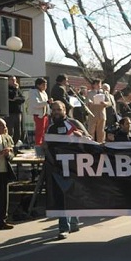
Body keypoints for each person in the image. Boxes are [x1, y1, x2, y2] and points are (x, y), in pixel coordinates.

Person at [46, 100, 91, 239]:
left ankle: (74, 221)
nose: (56, 112)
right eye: (53, 110)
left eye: (58, 109)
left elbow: (89, 139)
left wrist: (81, 137)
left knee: (73, 194)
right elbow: (47, 146)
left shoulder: (74, 124)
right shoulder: (50, 127)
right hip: (59, 167)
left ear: (64, 110)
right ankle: (63, 228)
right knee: (61, 197)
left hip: (75, 165)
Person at [86, 79, 112, 143]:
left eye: (100, 84)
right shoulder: (89, 93)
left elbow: (110, 103)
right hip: (93, 113)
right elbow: (86, 102)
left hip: (102, 114)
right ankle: (91, 144)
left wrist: (105, 103)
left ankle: (101, 144)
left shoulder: (104, 92)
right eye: (97, 84)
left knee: (101, 131)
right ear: (94, 85)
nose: (99, 85)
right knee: (91, 131)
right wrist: (90, 103)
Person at [28, 77, 50, 151]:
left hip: (45, 114)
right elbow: (36, 104)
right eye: (43, 84)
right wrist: (47, 102)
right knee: (39, 131)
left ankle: (43, 145)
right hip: (39, 115)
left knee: (45, 131)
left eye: (46, 84)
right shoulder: (33, 92)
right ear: (38, 85)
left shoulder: (44, 92)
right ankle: (38, 146)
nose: (45, 86)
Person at [7, 76, 25, 143]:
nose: (14, 81)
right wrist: (15, 90)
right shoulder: (7, 89)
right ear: (8, 81)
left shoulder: (18, 89)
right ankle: (10, 145)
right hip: (10, 113)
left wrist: (16, 99)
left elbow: (23, 99)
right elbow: (12, 96)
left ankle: (15, 146)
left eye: (15, 80)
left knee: (18, 132)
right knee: (10, 131)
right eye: (12, 80)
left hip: (18, 112)